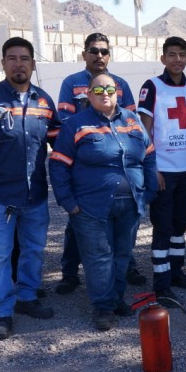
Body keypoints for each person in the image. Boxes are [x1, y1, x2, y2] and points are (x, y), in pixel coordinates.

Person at [0, 37, 61, 341]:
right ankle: (2, 311)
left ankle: (27, 297)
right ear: (3, 63)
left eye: (25, 58)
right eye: (12, 58)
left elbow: (59, 144)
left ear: (33, 64)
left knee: (33, 250)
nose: (19, 64)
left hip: (34, 195)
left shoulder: (44, 102)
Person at [50, 74, 157, 330]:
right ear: (88, 94)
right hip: (90, 207)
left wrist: (149, 190)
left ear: (117, 92)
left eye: (110, 88)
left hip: (130, 204)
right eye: (98, 88)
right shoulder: (75, 124)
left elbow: (149, 155)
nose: (104, 92)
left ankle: (116, 298)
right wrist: (68, 202)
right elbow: (58, 165)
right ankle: (102, 307)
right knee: (99, 257)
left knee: (122, 254)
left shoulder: (132, 121)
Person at [55, 32, 146, 295]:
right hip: (82, 161)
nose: (99, 55)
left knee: (123, 229)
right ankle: (70, 273)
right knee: (78, 223)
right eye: (93, 50)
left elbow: (129, 120)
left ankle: (127, 267)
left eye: (104, 51)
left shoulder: (120, 84)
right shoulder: (71, 83)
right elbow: (63, 119)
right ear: (84, 54)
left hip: (118, 167)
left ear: (110, 55)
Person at [137, 36, 186, 300]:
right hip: (163, 169)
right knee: (163, 226)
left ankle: (176, 272)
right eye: (172, 54)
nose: (177, 59)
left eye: (182, 54)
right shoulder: (152, 86)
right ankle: (161, 284)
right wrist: (151, 168)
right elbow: (144, 130)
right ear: (162, 58)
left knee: (181, 224)